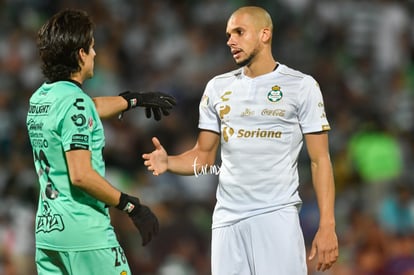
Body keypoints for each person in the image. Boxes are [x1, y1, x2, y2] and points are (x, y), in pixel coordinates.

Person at [143, 6, 338, 275]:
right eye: (228, 35)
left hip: (276, 215)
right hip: (227, 220)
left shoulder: (302, 86)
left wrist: (327, 226)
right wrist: (169, 162)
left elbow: (320, 160)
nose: (230, 41)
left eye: (239, 32)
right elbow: (204, 156)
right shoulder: (217, 88)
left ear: (264, 34)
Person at [26, 9, 176, 275]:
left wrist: (133, 100)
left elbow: (85, 108)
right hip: (85, 235)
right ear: (80, 54)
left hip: (50, 235)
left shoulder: (41, 98)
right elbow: (81, 175)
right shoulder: (75, 103)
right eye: (92, 47)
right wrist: (131, 205)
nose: (95, 54)